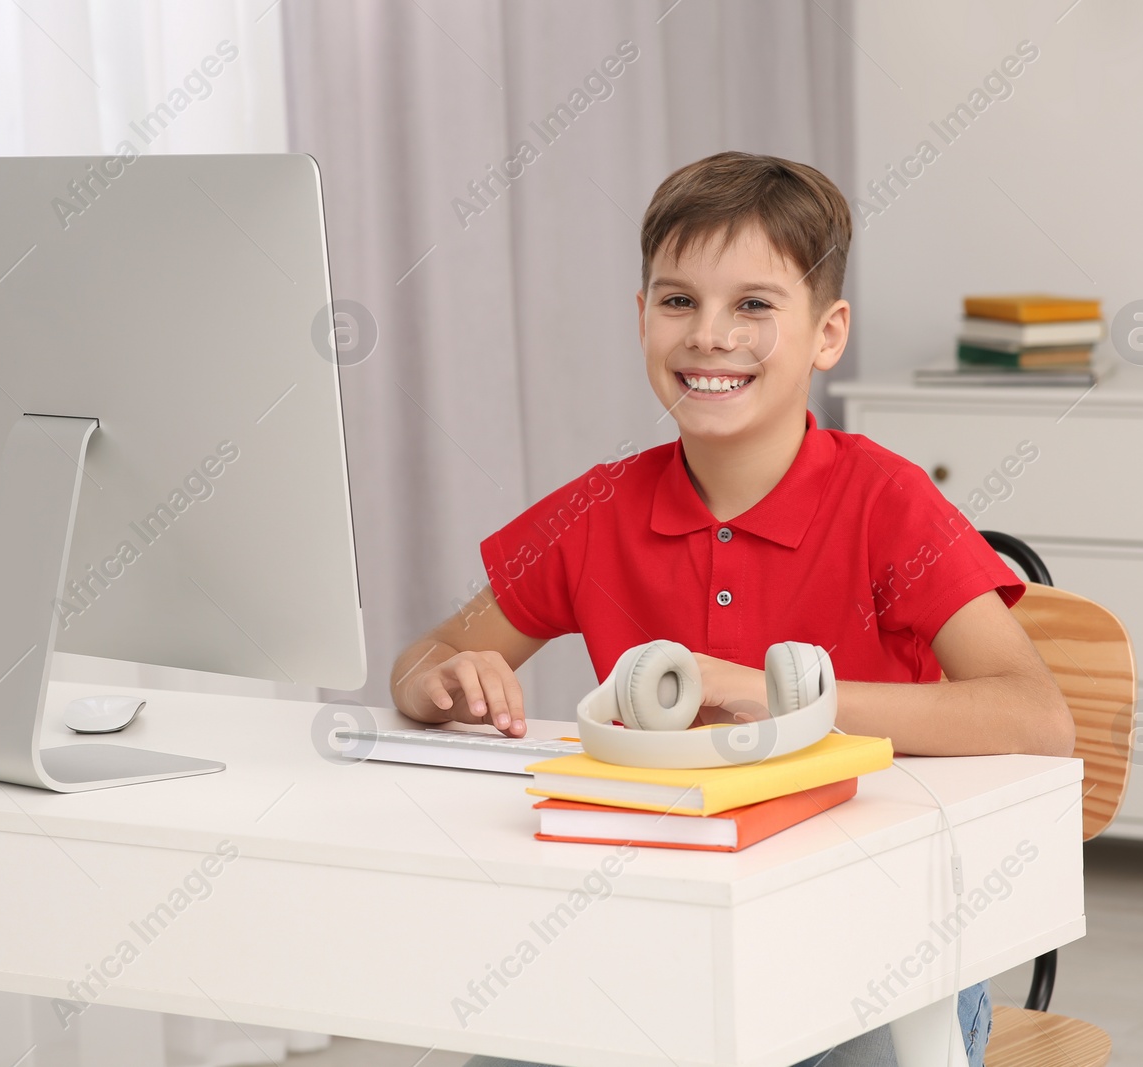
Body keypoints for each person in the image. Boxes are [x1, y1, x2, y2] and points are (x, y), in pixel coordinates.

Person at [389, 151, 1074, 1067]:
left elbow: (1037, 717)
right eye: (678, 302)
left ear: (827, 334)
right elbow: (421, 659)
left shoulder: (888, 503)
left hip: (882, 954)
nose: (710, 335)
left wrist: (774, 698)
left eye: (754, 304)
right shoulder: (598, 510)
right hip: (660, 943)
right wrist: (443, 677)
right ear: (641, 320)